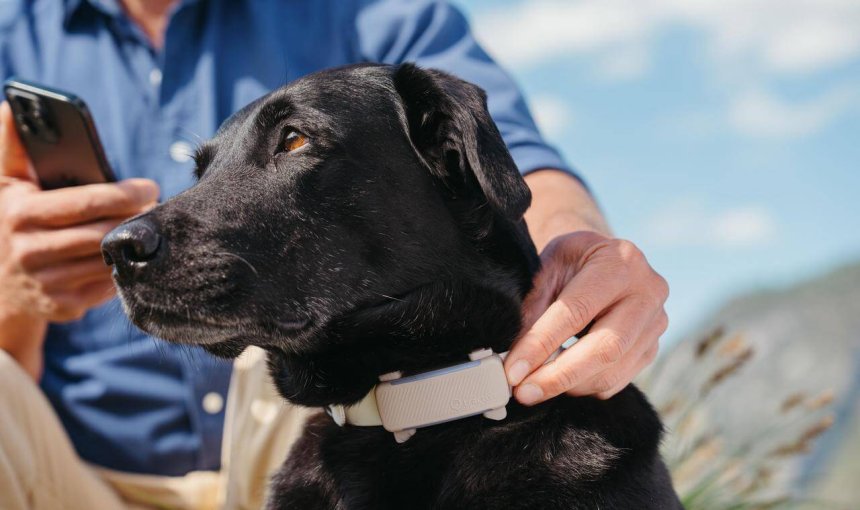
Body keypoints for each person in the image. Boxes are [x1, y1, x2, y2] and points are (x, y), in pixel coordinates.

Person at [0, 0, 669, 508]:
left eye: (290, 142)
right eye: (207, 176)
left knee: (295, 321)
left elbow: (509, 160)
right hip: (84, 479)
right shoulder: (12, 36)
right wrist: (12, 291)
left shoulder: (358, 9)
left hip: (300, 427)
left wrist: (582, 257)